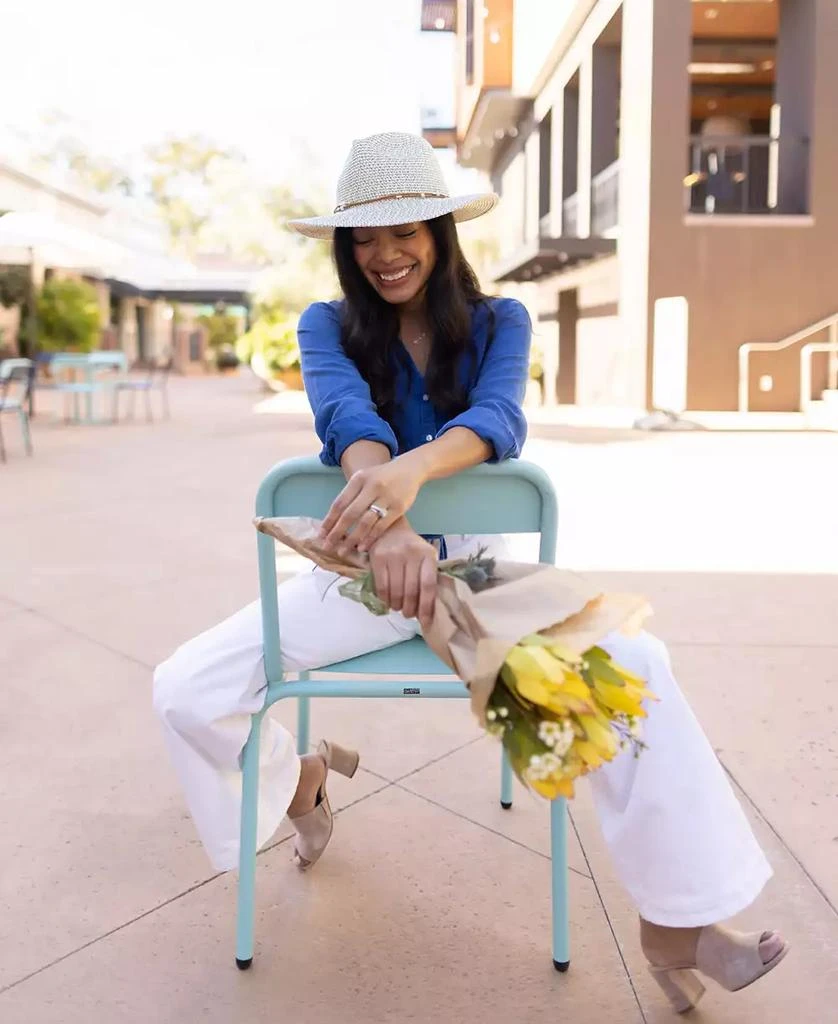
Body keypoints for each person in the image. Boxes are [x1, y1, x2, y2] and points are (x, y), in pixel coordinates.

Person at [153, 132, 787, 1012]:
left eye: (405, 230)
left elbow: (498, 418)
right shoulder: (325, 325)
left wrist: (408, 482)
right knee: (184, 689)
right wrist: (390, 529)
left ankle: (679, 922)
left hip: (475, 581)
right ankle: (301, 780)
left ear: (441, 231)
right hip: (354, 580)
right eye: (364, 237)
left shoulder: (502, 321)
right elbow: (343, 415)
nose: (384, 253)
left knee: (640, 664)